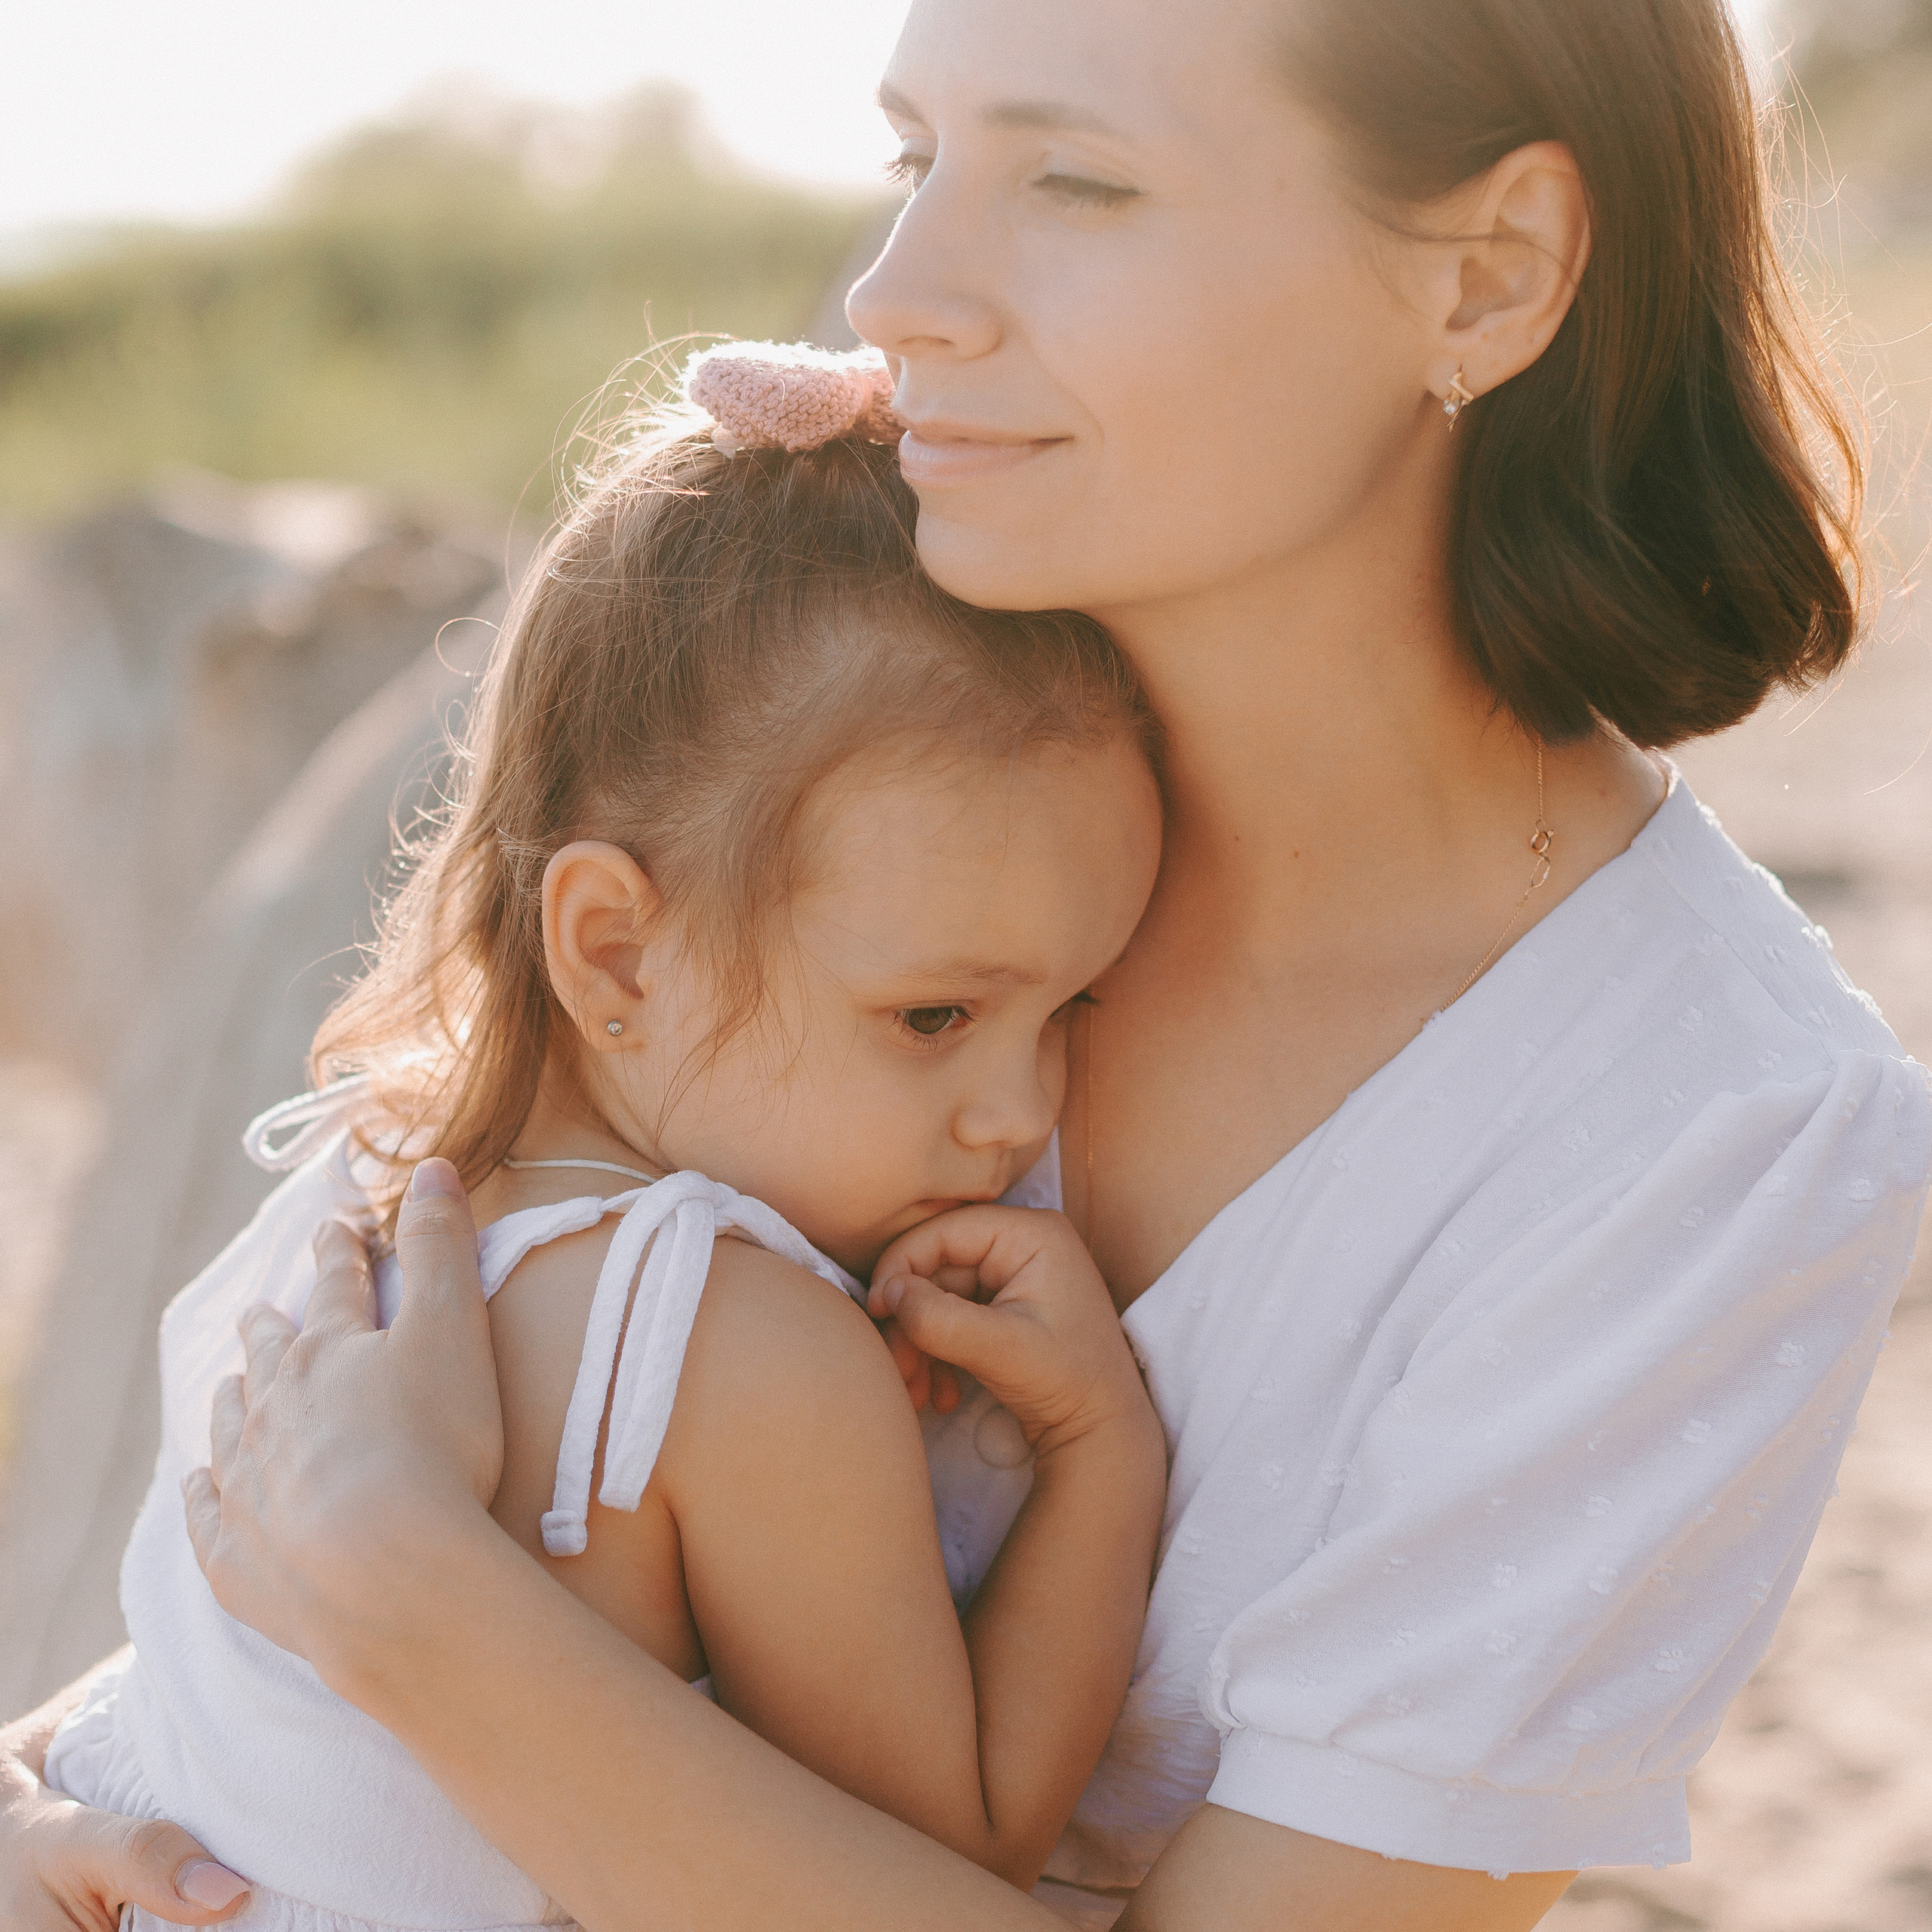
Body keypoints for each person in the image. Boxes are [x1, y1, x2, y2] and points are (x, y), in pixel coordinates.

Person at [7, 0, 1930, 1927]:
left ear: (1486, 278)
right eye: (913, 162)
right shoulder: (821, 737)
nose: (891, 292)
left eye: (1072, 178)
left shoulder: (1711, 1131)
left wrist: (412, 1604)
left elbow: (400, 1558)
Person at [0, 344, 1170, 1932]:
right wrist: (1101, 1453)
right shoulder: (734, 1346)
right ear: (614, 950)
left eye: (1070, 1014)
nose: (1016, 1113)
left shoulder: (356, 1193)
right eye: (935, 1017)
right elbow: (946, 1871)